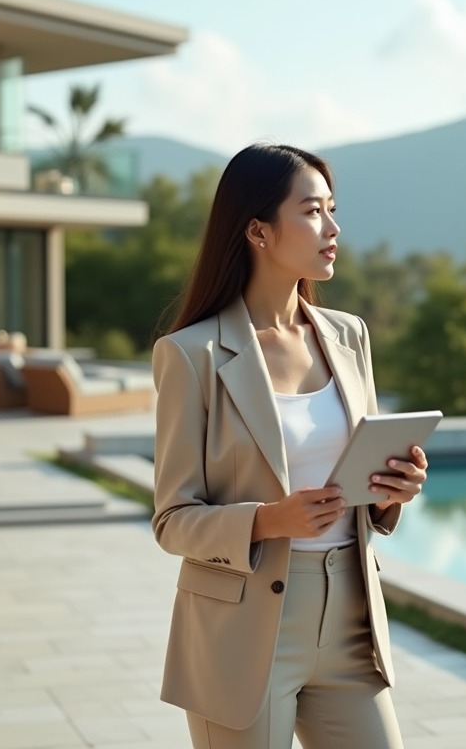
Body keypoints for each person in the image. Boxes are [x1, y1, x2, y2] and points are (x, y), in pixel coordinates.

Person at [151, 143, 430, 748]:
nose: (332, 228)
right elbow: (173, 520)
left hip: (350, 621)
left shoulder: (348, 336)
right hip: (242, 633)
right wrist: (270, 520)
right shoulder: (191, 355)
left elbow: (364, 491)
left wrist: (392, 493)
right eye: (312, 212)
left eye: (333, 210)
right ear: (258, 230)